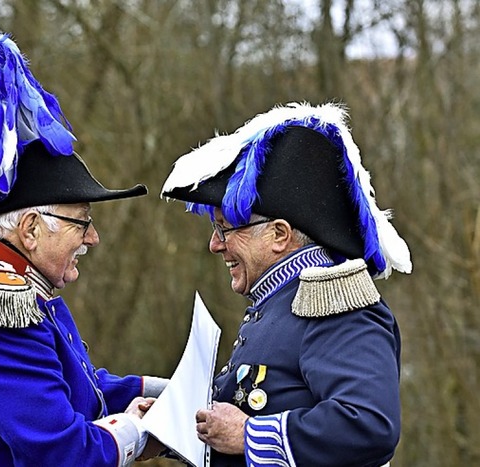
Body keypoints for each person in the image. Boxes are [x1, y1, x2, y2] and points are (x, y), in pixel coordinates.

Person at [0, 31, 166, 466]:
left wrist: (167, 392)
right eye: (81, 222)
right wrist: (144, 431)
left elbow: (67, 384)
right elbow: (64, 454)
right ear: (29, 230)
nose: (93, 237)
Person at [160, 102, 412, 467]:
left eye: (224, 229)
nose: (215, 245)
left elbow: (370, 424)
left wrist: (250, 436)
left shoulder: (334, 304)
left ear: (279, 235)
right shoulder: (279, 304)